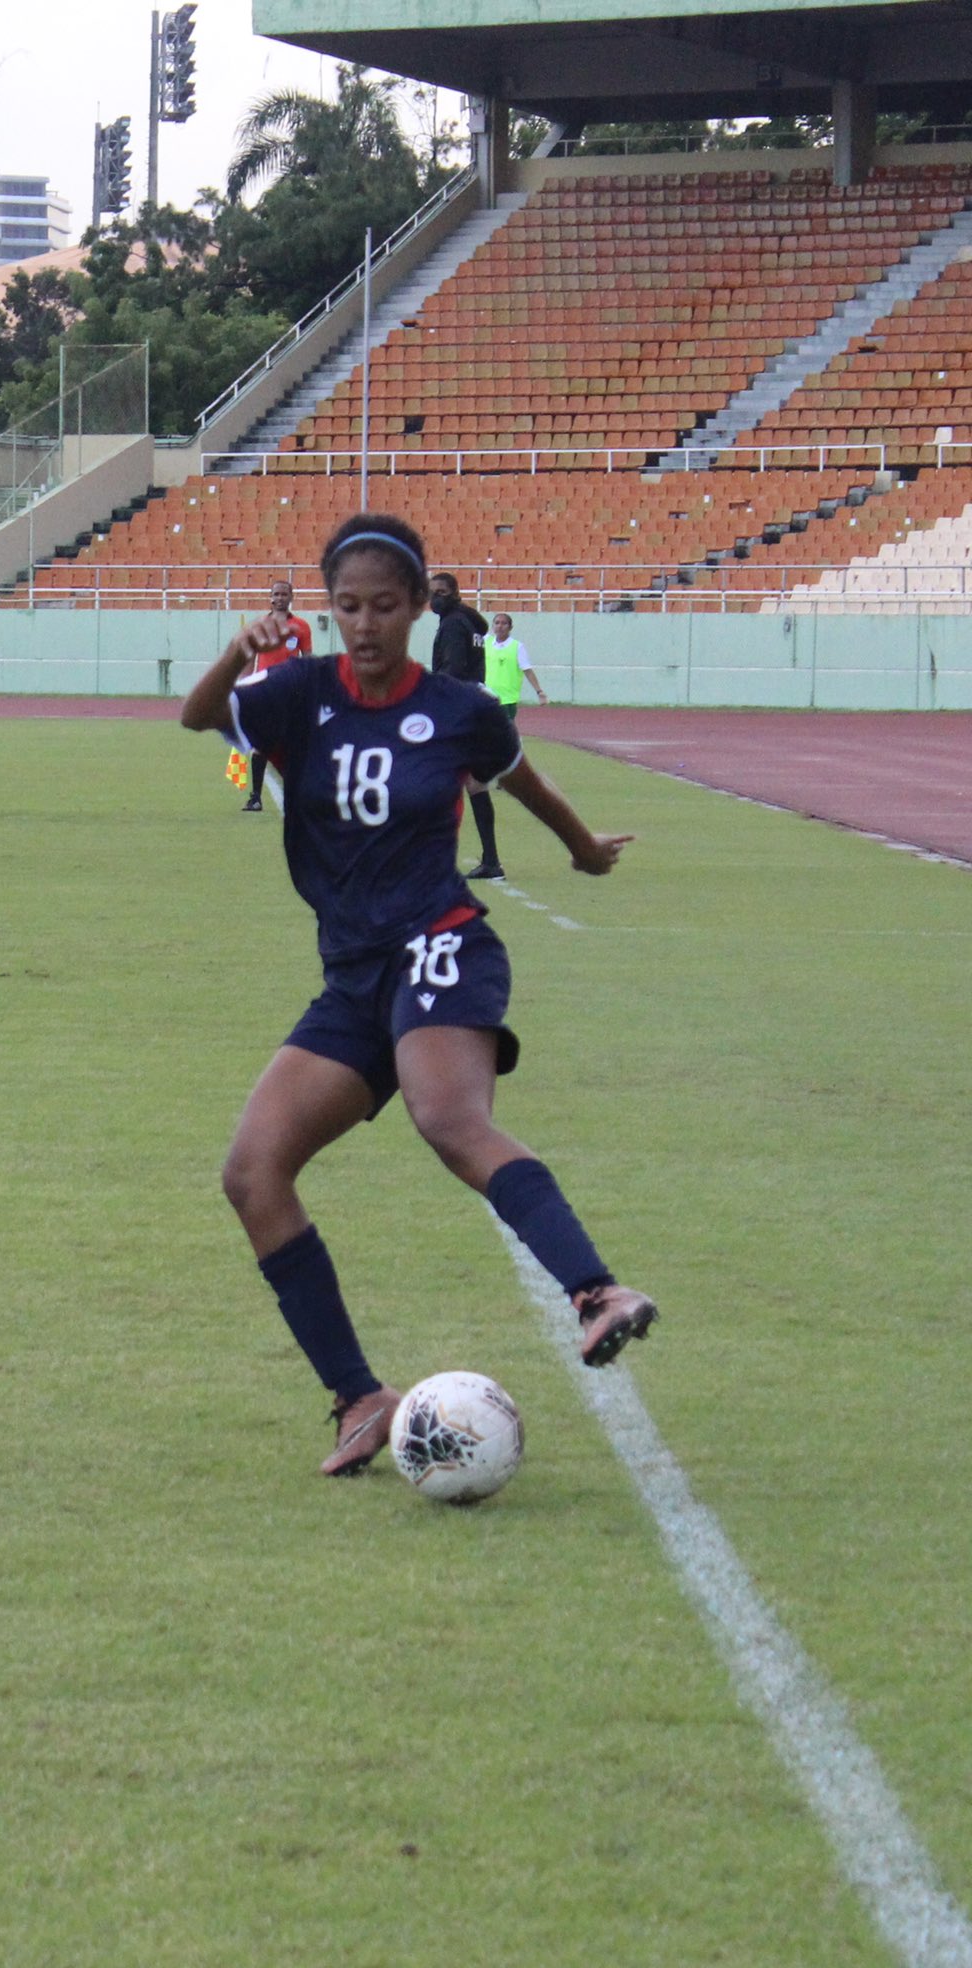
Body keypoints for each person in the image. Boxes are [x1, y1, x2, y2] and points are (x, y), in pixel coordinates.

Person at [180, 512, 657, 1478]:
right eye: (347, 605)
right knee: (251, 1172)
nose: (364, 624)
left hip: (440, 945)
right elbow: (195, 718)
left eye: (384, 606)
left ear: (416, 605)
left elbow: (522, 780)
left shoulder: (456, 707)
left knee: (447, 1117)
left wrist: (583, 850)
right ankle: (360, 1401)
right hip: (354, 976)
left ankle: (597, 1292)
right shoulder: (296, 692)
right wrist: (239, 651)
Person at [465, 613, 553, 880]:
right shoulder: (485, 643)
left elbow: (526, 669)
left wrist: (539, 691)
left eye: (504, 623)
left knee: (506, 739)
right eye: (497, 623)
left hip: (506, 701)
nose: (499, 627)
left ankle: (508, 774)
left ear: (510, 627)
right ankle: (500, 774)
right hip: (486, 699)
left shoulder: (517, 647)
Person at [428, 571, 500, 879]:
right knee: (474, 784)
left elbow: (453, 670)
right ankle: (491, 859)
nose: (435, 598)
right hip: (473, 704)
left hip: (458, 709)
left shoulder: (454, 624)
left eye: (441, 593)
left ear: (455, 594)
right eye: (433, 592)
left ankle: (435, 858)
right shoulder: (470, 622)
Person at [238, 578, 312, 811]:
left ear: (291, 598)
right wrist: (244, 687)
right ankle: (255, 797)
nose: (280, 598)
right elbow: (250, 658)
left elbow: (307, 658)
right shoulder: (259, 625)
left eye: (284, 594)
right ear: (270, 598)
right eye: (276, 594)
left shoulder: (301, 626)